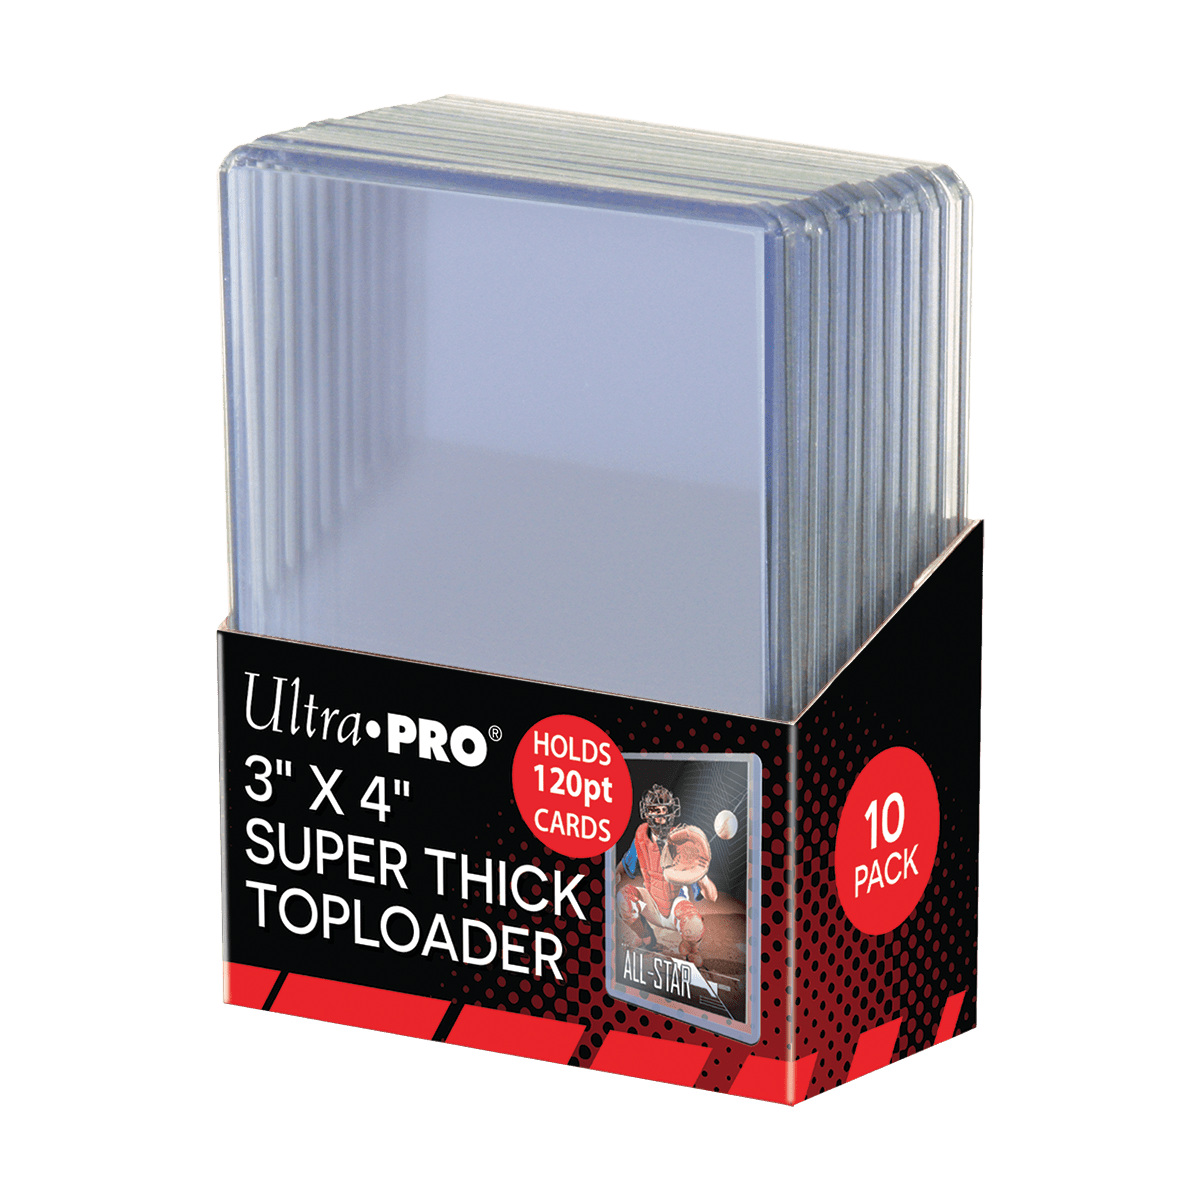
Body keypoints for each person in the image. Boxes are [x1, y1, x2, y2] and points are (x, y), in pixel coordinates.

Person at [614, 784, 717, 966]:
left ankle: (690, 948)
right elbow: (623, 866)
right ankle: (647, 938)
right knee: (623, 899)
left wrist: (703, 875)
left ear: (671, 811)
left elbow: (712, 897)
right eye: (656, 810)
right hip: (651, 903)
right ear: (646, 813)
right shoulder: (641, 837)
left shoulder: (682, 842)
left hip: (675, 905)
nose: (661, 816)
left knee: (694, 925)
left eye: (664, 810)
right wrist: (613, 878)